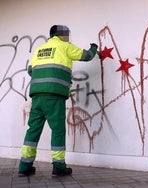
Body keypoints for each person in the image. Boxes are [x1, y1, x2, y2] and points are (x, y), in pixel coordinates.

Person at [18, 25, 98, 177]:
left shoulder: (40, 49)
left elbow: (30, 70)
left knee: (33, 129)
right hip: (54, 95)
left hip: (37, 95)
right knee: (58, 130)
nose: (68, 37)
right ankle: (59, 166)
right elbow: (87, 56)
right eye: (67, 35)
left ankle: (24, 165)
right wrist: (94, 47)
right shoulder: (64, 46)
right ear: (61, 35)